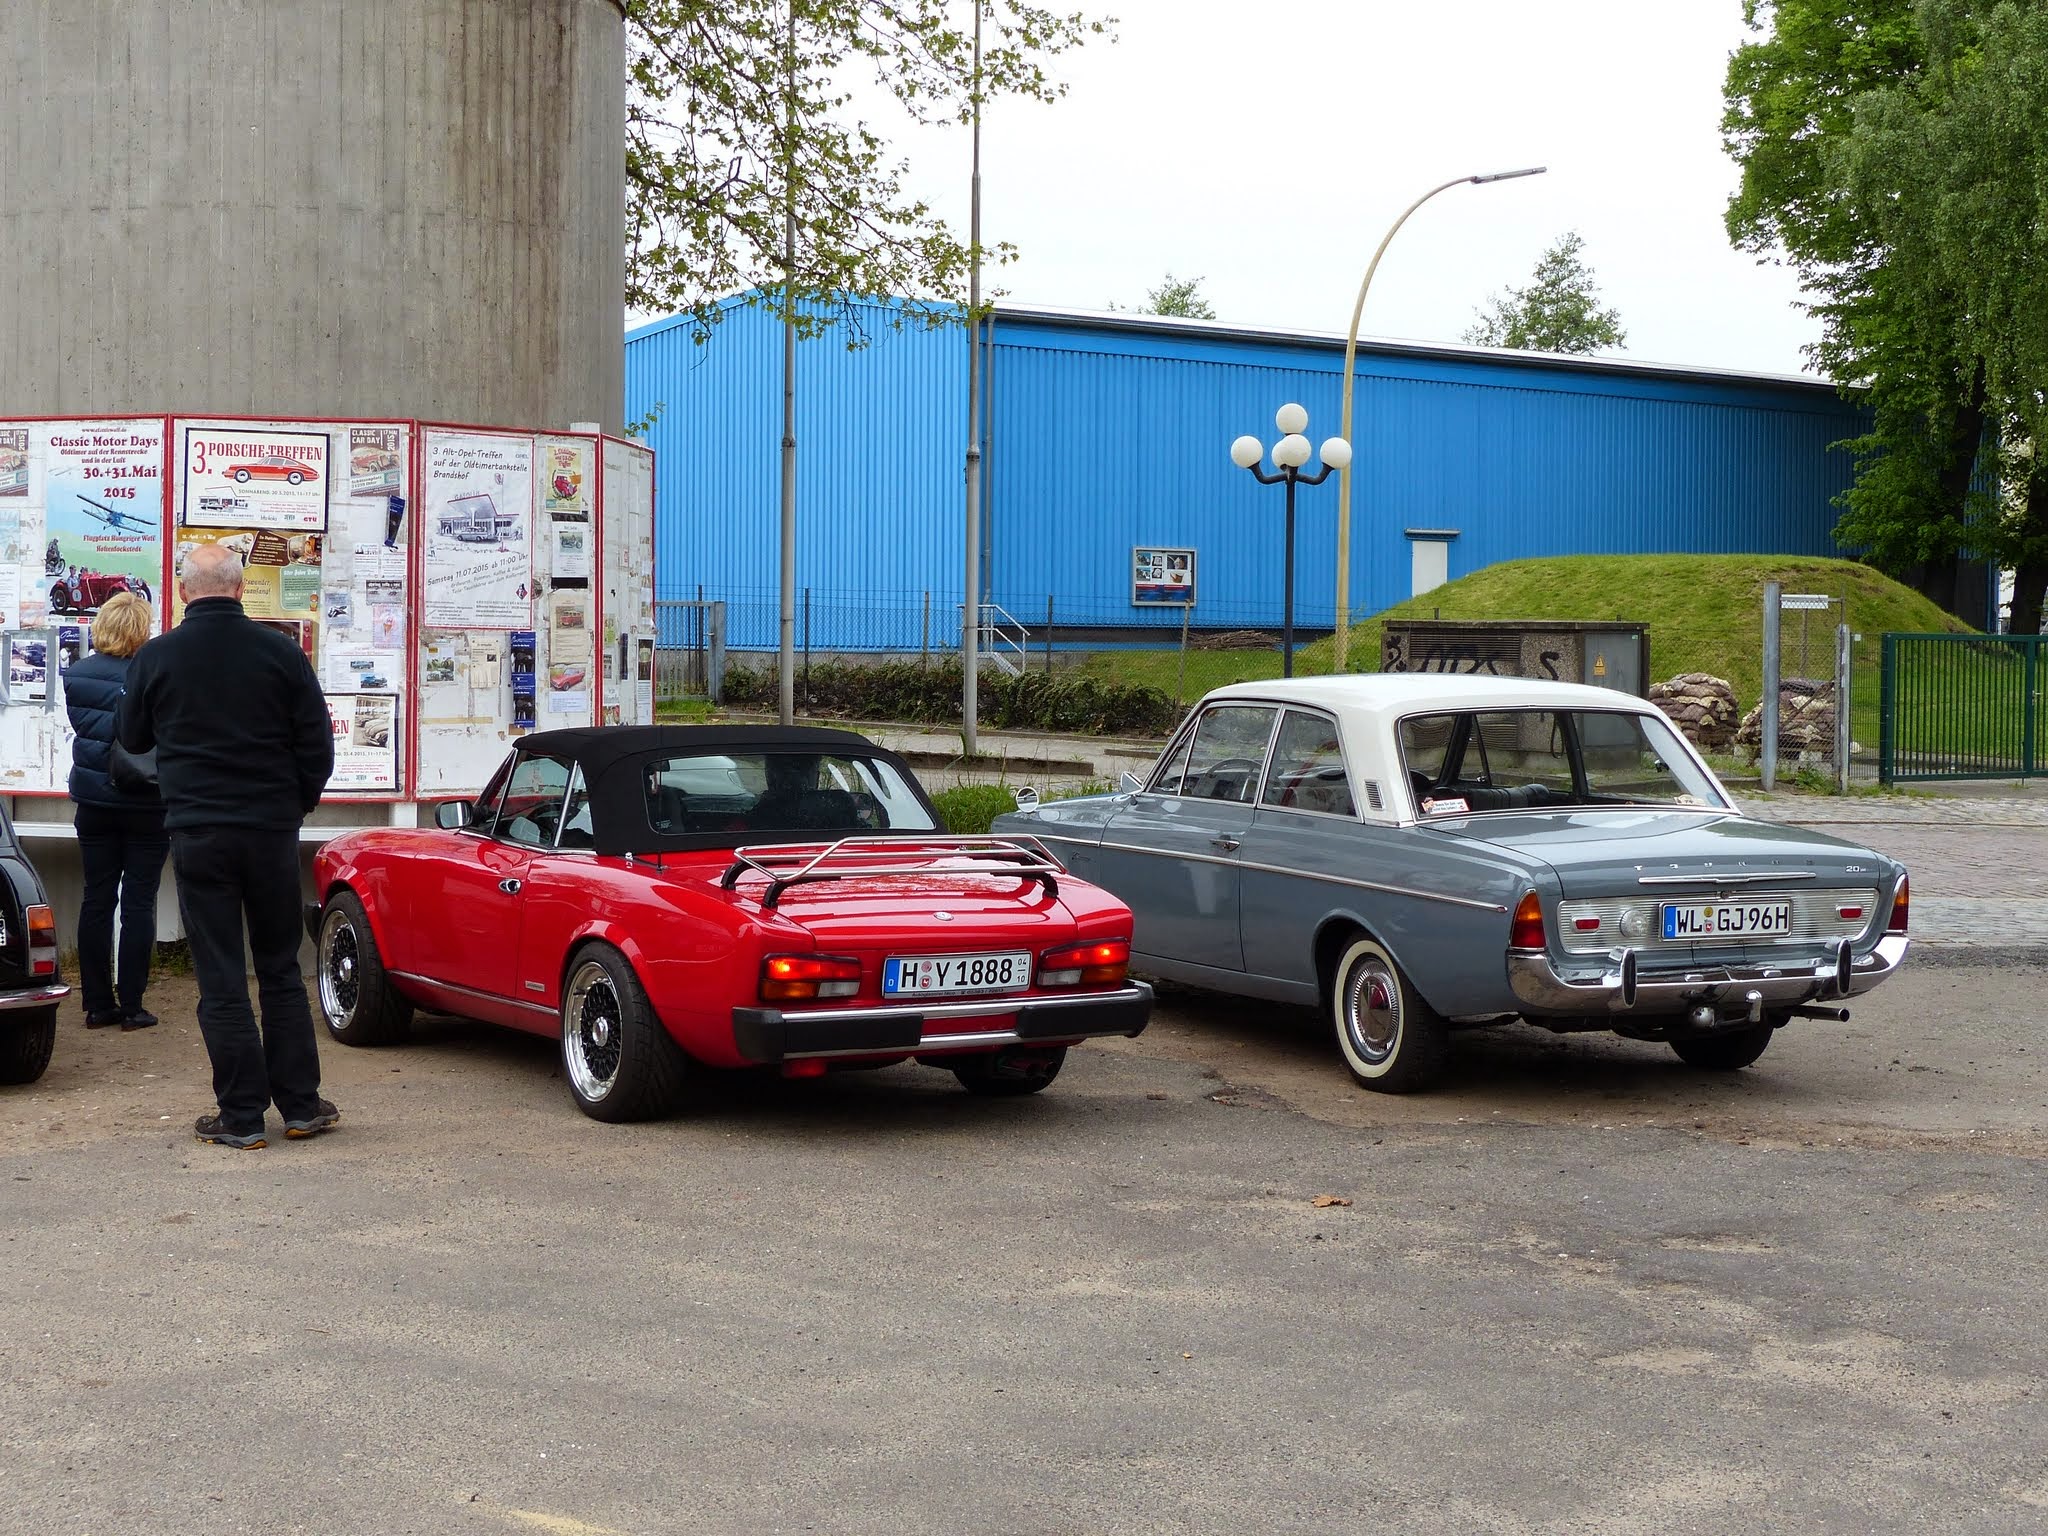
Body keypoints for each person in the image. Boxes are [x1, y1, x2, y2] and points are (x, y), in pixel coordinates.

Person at [118, 545, 338, 1150]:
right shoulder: (282, 652)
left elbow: (131, 737)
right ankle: (301, 1105)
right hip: (270, 829)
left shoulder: (157, 656)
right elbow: (317, 745)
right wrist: (296, 803)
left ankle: (241, 1116)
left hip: (199, 830)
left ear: (182, 593)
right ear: (241, 591)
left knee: (220, 976)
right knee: (280, 968)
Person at [64, 591, 170, 1031]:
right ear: (141, 630)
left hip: (93, 800)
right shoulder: (154, 674)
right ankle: (132, 1006)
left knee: (97, 898)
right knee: (138, 903)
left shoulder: (77, 675)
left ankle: (96, 1005)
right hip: (146, 801)